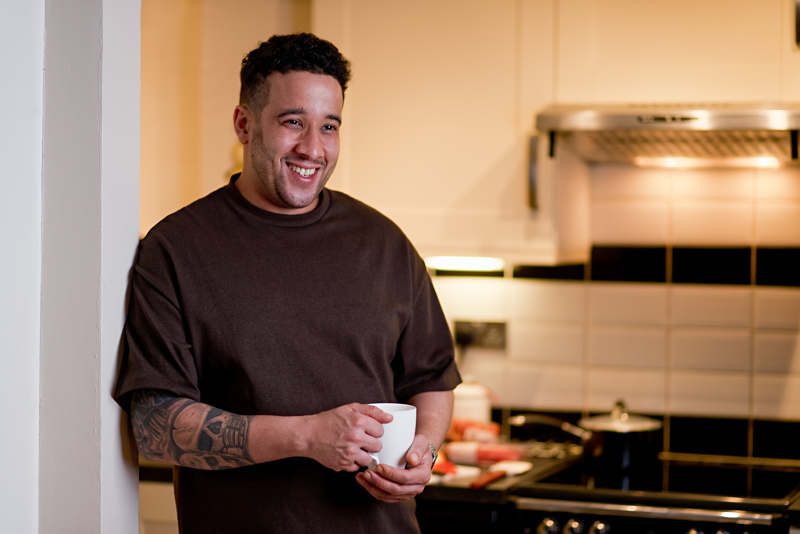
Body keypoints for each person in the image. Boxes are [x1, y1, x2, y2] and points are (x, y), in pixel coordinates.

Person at [115, 33, 461, 533]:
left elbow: (431, 380)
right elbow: (156, 427)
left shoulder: (384, 242)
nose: (313, 148)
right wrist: (307, 436)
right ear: (244, 124)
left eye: (329, 126)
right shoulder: (175, 249)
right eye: (292, 122)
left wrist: (423, 452)